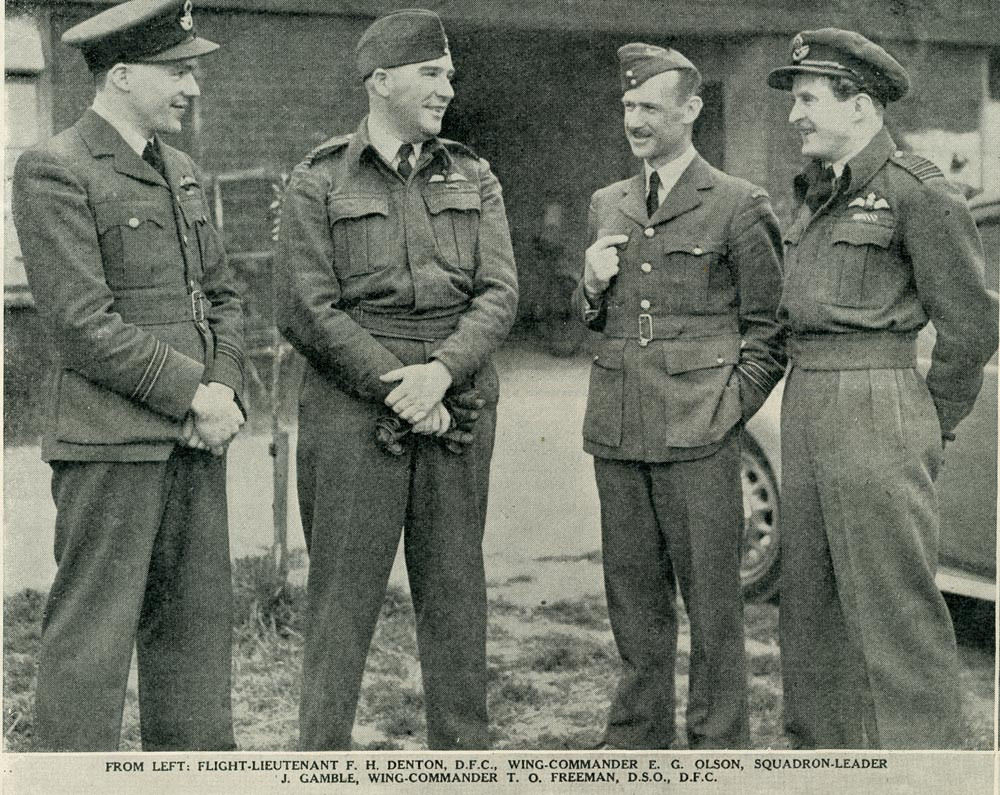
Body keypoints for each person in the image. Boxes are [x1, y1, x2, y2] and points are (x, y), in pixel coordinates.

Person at [276, 9, 518, 750]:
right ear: (380, 81)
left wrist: (441, 375)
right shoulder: (317, 182)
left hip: (458, 395)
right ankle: (322, 760)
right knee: (342, 600)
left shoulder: (475, 175)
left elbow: (500, 291)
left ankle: (463, 756)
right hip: (355, 405)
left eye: (449, 72)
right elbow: (306, 309)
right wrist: (402, 388)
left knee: (456, 594)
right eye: (431, 73)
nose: (449, 85)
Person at [11, 0, 245, 752]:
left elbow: (224, 295)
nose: (193, 87)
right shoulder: (54, 168)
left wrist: (227, 393)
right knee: (91, 649)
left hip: (195, 443)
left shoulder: (180, 170)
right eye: (177, 71)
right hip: (112, 448)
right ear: (119, 75)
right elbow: (82, 325)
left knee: (195, 645)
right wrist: (193, 393)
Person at [767, 28, 998, 749]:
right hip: (808, 398)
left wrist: (930, 420)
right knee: (809, 607)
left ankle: (922, 765)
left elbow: (971, 324)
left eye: (808, 98)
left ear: (860, 105)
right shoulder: (811, 195)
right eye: (794, 99)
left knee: (892, 610)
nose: (795, 113)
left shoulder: (916, 193)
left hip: (880, 400)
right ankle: (822, 758)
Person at [573, 43, 785, 749]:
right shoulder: (610, 201)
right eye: (628, 106)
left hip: (700, 434)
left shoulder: (737, 204)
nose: (635, 119)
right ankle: (637, 733)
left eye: (650, 107)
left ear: (691, 110)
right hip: (619, 427)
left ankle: (720, 743)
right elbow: (595, 316)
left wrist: (725, 410)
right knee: (632, 598)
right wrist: (591, 287)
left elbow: (768, 332)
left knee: (713, 603)